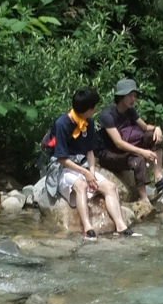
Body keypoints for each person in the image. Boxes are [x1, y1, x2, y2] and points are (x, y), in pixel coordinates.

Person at [49, 87, 130, 239]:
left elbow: (90, 152)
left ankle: (121, 225)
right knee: (81, 185)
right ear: (87, 109)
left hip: (84, 165)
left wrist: (91, 173)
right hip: (64, 167)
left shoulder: (89, 122)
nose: (95, 110)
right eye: (94, 107)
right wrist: (85, 174)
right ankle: (88, 227)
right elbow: (61, 158)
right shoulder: (61, 124)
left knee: (110, 187)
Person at [95, 79, 163, 201]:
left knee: (155, 138)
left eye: (134, 96)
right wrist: (142, 152)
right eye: (130, 96)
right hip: (110, 153)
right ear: (121, 96)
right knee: (138, 159)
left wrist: (157, 128)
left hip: (126, 146)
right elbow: (118, 143)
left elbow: (145, 127)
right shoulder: (107, 115)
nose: (133, 99)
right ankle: (144, 199)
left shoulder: (130, 111)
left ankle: (158, 178)